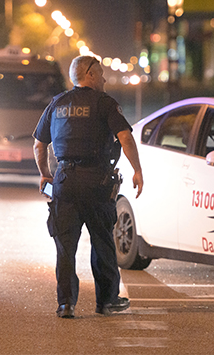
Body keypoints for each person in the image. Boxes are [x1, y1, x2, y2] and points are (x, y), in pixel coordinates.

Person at [32, 55, 143, 319]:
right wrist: (137, 169)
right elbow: (125, 137)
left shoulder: (57, 104)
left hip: (65, 182)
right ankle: (106, 301)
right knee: (103, 243)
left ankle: (66, 304)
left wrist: (46, 174)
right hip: (96, 183)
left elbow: (39, 144)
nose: (104, 78)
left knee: (65, 247)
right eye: (101, 73)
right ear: (90, 74)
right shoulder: (104, 103)